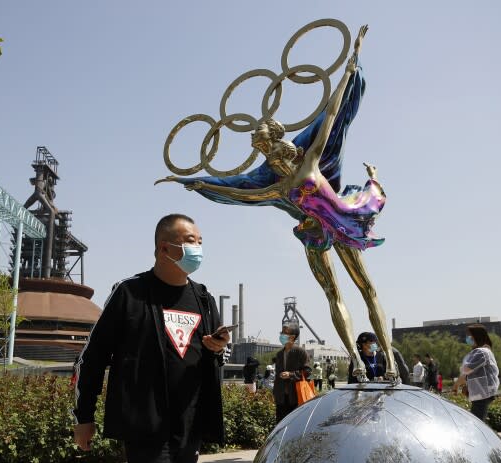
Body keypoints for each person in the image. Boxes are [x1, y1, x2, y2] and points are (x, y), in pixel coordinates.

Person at [158, 25, 399, 380]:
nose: (260, 149)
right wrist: (198, 183)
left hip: (340, 222)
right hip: (316, 233)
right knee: (336, 294)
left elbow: (331, 118)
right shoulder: (277, 185)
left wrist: (350, 70)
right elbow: (238, 192)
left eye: (261, 142)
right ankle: (358, 364)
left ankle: (390, 365)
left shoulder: (307, 164)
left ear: (275, 142)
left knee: (366, 288)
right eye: (258, 146)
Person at [72, 214, 229, 463]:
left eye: (200, 241)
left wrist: (217, 348)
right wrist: (84, 416)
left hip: (189, 429)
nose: (197, 248)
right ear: (164, 247)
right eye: (190, 240)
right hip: (146, 429)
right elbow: (92, 357)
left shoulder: (204, 299)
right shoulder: (130, 293)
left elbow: (212, 355)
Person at [453, 324, 500, 422]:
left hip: (483, 393)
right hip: (482, 392)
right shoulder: (482, 351)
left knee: (477, 423)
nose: (467, 338)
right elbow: (468, 373)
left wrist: (457, 384)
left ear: (477, 336)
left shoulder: (481, 352)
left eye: (469, 335)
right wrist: (460, 384)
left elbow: (466, 370)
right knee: (478, 421)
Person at [272, 323, 309, 422]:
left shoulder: (301, 352)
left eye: (285, 333)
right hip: (281, 398)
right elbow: (277, 375)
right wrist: (275, 393)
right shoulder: (279, 354)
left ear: (292, 337)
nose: (282, 335)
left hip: (295, 397)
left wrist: (291, 374)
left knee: (294, 424)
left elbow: (307, 372)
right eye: (282, 332)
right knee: (280, 424)